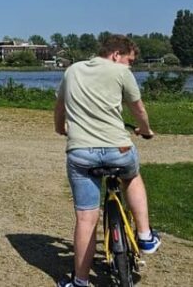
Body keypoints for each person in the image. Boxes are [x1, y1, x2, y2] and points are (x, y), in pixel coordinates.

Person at [53, 34, 160, 287]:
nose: (130, 66)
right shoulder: (121, 72)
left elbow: (60, 108)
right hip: (117, 149)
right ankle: (145, 236)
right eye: (129, 60)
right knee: (132, 176)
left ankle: (80, 282)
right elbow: (138, 109)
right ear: (116, 54)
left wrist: (60, 128)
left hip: (81, 153)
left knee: (85, 219)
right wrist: (145, 130)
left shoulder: (72, 71)